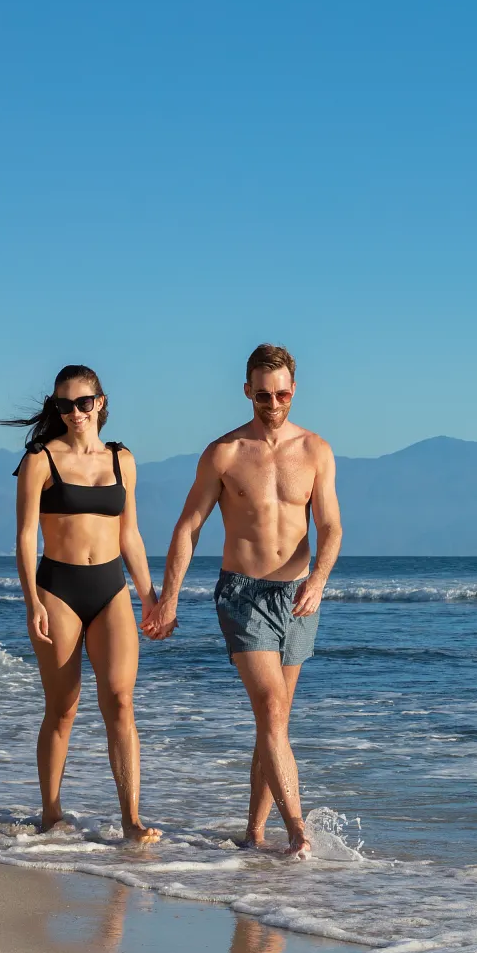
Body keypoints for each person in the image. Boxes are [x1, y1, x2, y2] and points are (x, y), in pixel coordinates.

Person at [143, 343, 341, 859]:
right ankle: (298, 832)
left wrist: (318, 578)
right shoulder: (224, 453)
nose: (271, 402)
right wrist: (168, 599)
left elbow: (331, 526)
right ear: (247, 391)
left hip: (297, 597)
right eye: (261, 393)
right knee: (272, 708)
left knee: (274, 721)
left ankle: (254, 833)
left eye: (280, 394)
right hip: (242, 595)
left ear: (293, 392)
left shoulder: (316, 450)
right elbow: (188, 528)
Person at [0, 365, 162, 843]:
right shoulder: (40, 459)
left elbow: (130, 534)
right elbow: (25, 537)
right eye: (64, 405)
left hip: (110, 589)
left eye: (83, 403)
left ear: (100, 402)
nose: (75, 413)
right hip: (57, 589)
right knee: (63, 706)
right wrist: (32, 602)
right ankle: (51, 814)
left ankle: (131, 820)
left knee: (120, 702)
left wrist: (149, 595)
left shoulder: (121, 459)